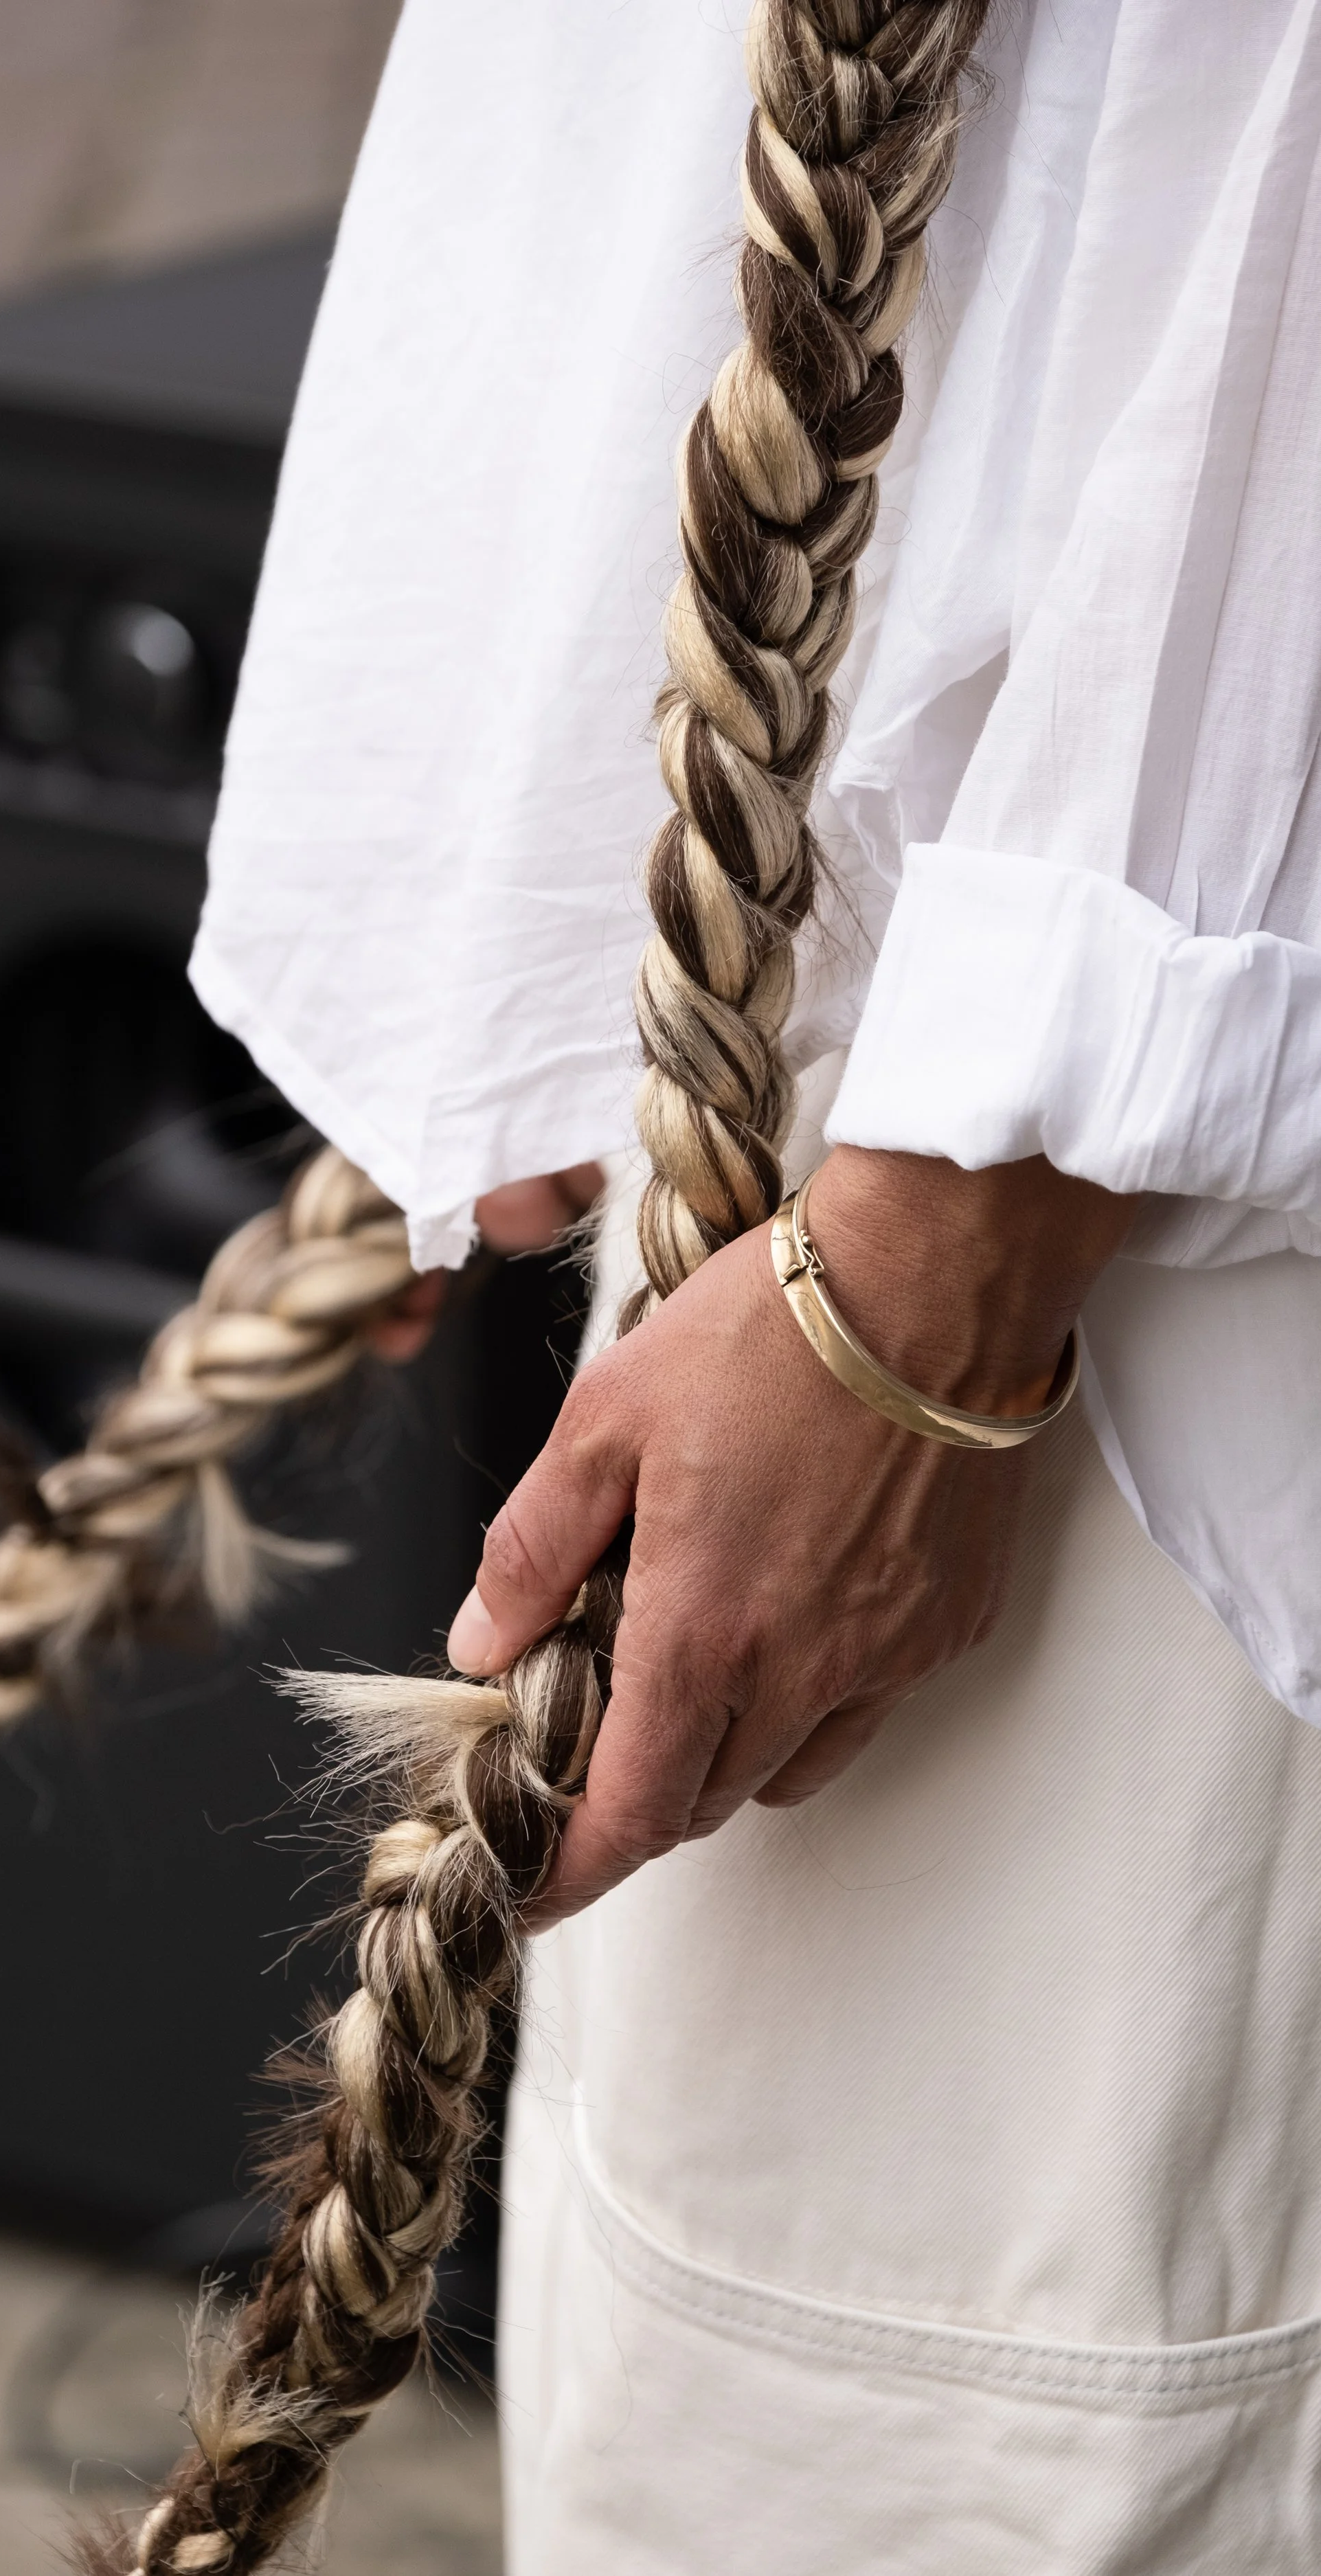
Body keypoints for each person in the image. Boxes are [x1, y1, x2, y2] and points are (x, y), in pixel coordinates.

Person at [192, 1, 1321, 2566]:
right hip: (865, 983)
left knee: (977, 2443)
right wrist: (497, 921)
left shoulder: (973, 1233)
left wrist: (954, 1253)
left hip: (1105, 1188)